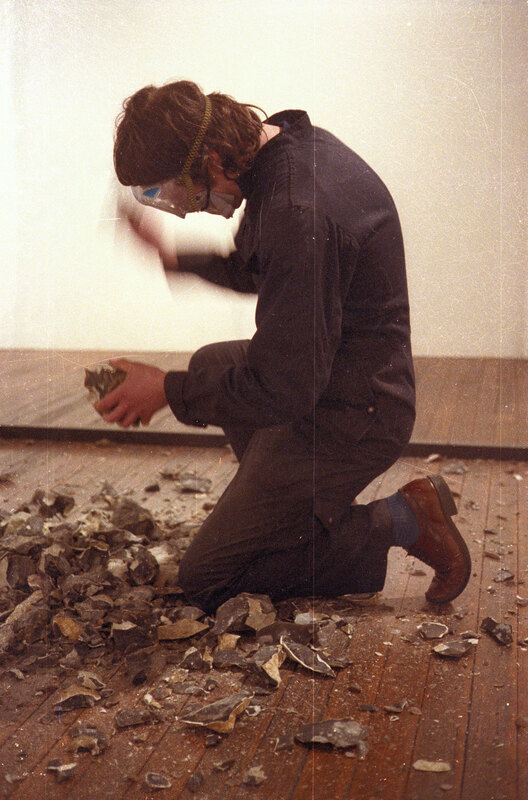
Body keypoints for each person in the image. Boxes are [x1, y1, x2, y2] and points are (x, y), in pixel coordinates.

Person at [96, 80, 471, 614]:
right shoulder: (283, 156)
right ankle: (287, 514)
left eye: (181, 193)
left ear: (213, 158)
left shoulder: (298, 210)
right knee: (213, 363)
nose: (187, 209)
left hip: (358, 410)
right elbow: (261, 267)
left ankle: (401, 519)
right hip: (341, 373)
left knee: (209, 579)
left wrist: (165, 390)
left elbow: (286, 387)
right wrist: (174, 258)